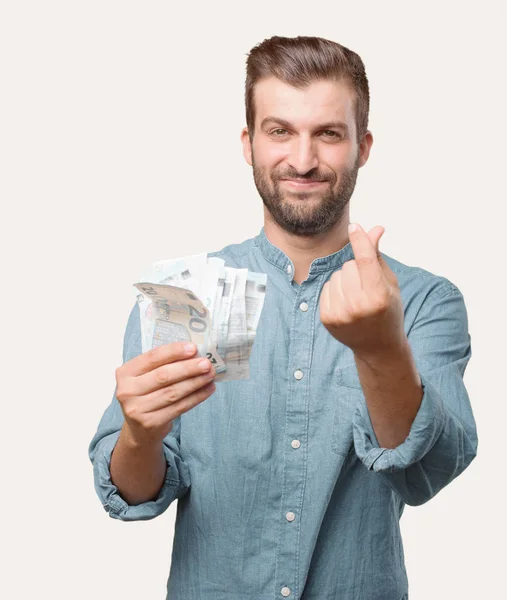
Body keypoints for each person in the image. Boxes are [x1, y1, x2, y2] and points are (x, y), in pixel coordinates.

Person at [88, 35, 478, 600]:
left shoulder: (422, 300)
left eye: (328, 133)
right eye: (280, 131)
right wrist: (141, 434)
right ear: (248, 143)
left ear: (363, 146)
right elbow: (132, 493)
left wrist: (381, 347)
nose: (302, 160)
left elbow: (427, 472)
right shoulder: (184, 296)